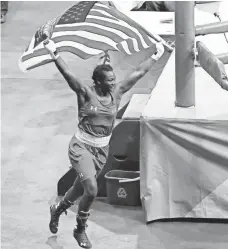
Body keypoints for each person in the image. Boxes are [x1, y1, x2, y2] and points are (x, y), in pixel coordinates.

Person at [43, 38, 165, 249]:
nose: (113, 82)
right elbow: (68, 74)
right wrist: (53, 52)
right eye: (109, 79)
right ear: (98, 82)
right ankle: (80, 229)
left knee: (79, 188)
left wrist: (157, 54)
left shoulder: (116, 94)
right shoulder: (85, 94)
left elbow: (138, 73)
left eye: (113, 78)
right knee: (91, 189)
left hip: (101, 150)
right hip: (81, 148)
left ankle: (58, 208)